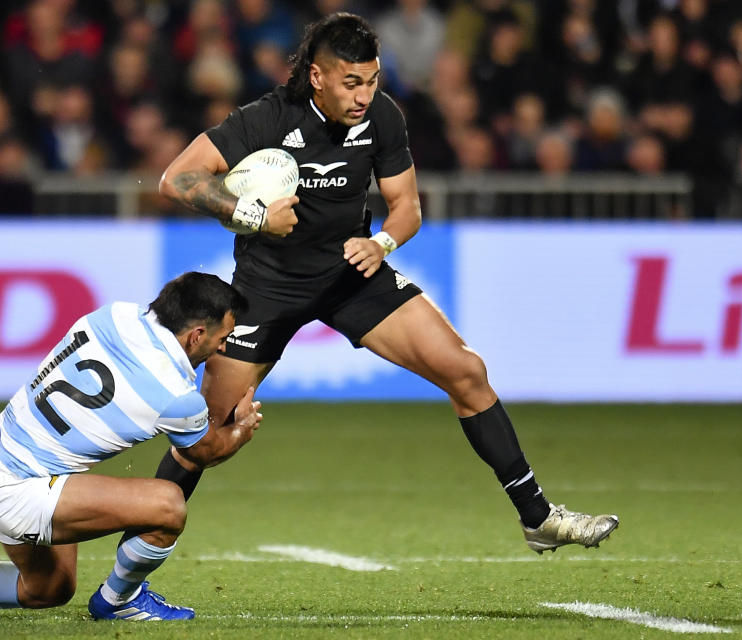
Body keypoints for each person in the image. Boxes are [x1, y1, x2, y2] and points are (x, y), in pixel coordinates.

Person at [157, 12, 618, 555]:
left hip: (353, 274)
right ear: (316, 76)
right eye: (351, 82)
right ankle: (128, 573)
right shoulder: (264, 119)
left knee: (466, 371)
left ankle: (538, 518)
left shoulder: (382, 117)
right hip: (267, 286)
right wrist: (254, 217)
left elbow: (406, 209)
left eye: (372, 80)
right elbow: (176, 179)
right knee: (208, 429)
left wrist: (382, 245)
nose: (363, 95)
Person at [0, 272, 262, 622]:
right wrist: (241, 428)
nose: (224, 347)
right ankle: (119, 602)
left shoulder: (113, 316)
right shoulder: (175, 393)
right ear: (195, 334)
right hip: (23, 489)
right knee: (168, 505)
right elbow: (201, 452)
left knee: (48, 589)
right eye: (221, 338)